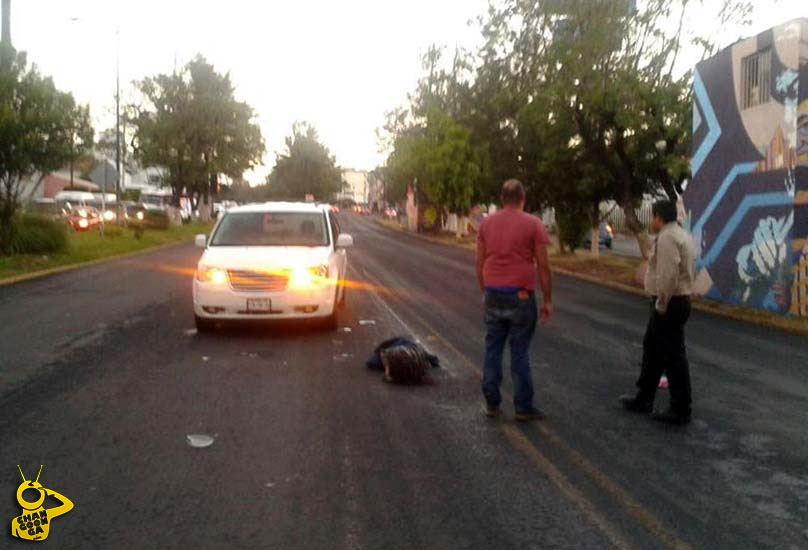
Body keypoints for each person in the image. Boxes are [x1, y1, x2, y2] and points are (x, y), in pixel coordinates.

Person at [476, 179, 553, 421]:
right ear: (523, 198)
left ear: (501, 199)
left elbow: (480, 262)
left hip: (493, 292)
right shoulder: (533, 224)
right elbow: (543, 265)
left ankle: (491, 403)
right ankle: (522, 407)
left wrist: (485, 289)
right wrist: (547, 300)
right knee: (519, 351)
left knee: (493, 348)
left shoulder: (486, 224)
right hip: (520, 295)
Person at [619, 199, 695, 425]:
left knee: (672, 356)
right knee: (652, 350)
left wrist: (661, 304)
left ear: (659, 217)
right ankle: (644, 398)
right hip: (676, 301)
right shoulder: (680, 234)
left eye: (652, 217)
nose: (651, 221)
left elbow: (668, 275)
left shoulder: (668, 238)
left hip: (670, 303)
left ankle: (681, 408)